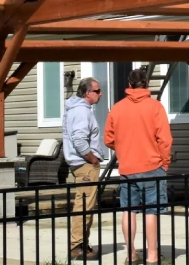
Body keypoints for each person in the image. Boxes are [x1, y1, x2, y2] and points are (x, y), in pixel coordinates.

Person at [105, 68, 173, 265]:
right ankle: (152, 256)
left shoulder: (117, 108)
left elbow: (109, 139)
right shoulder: (155, 107)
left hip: (127, 167)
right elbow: (165, 140)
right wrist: (165, 163)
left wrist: (124, 148)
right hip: (152, 166)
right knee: (151, 211)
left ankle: (131, 255)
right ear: (146, 83)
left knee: (129, 211)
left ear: (129, 84)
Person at [62, 76, 105, 261]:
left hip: (80, 164)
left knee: (85, 204)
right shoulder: (81, 111)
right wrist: (92, 159)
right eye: (97, 91)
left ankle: (81, 243)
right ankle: (77, 246)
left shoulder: (76, 108)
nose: (100, 94)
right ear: (88, 93)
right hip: (85, 164)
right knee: (84, 205)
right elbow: (79, 140)